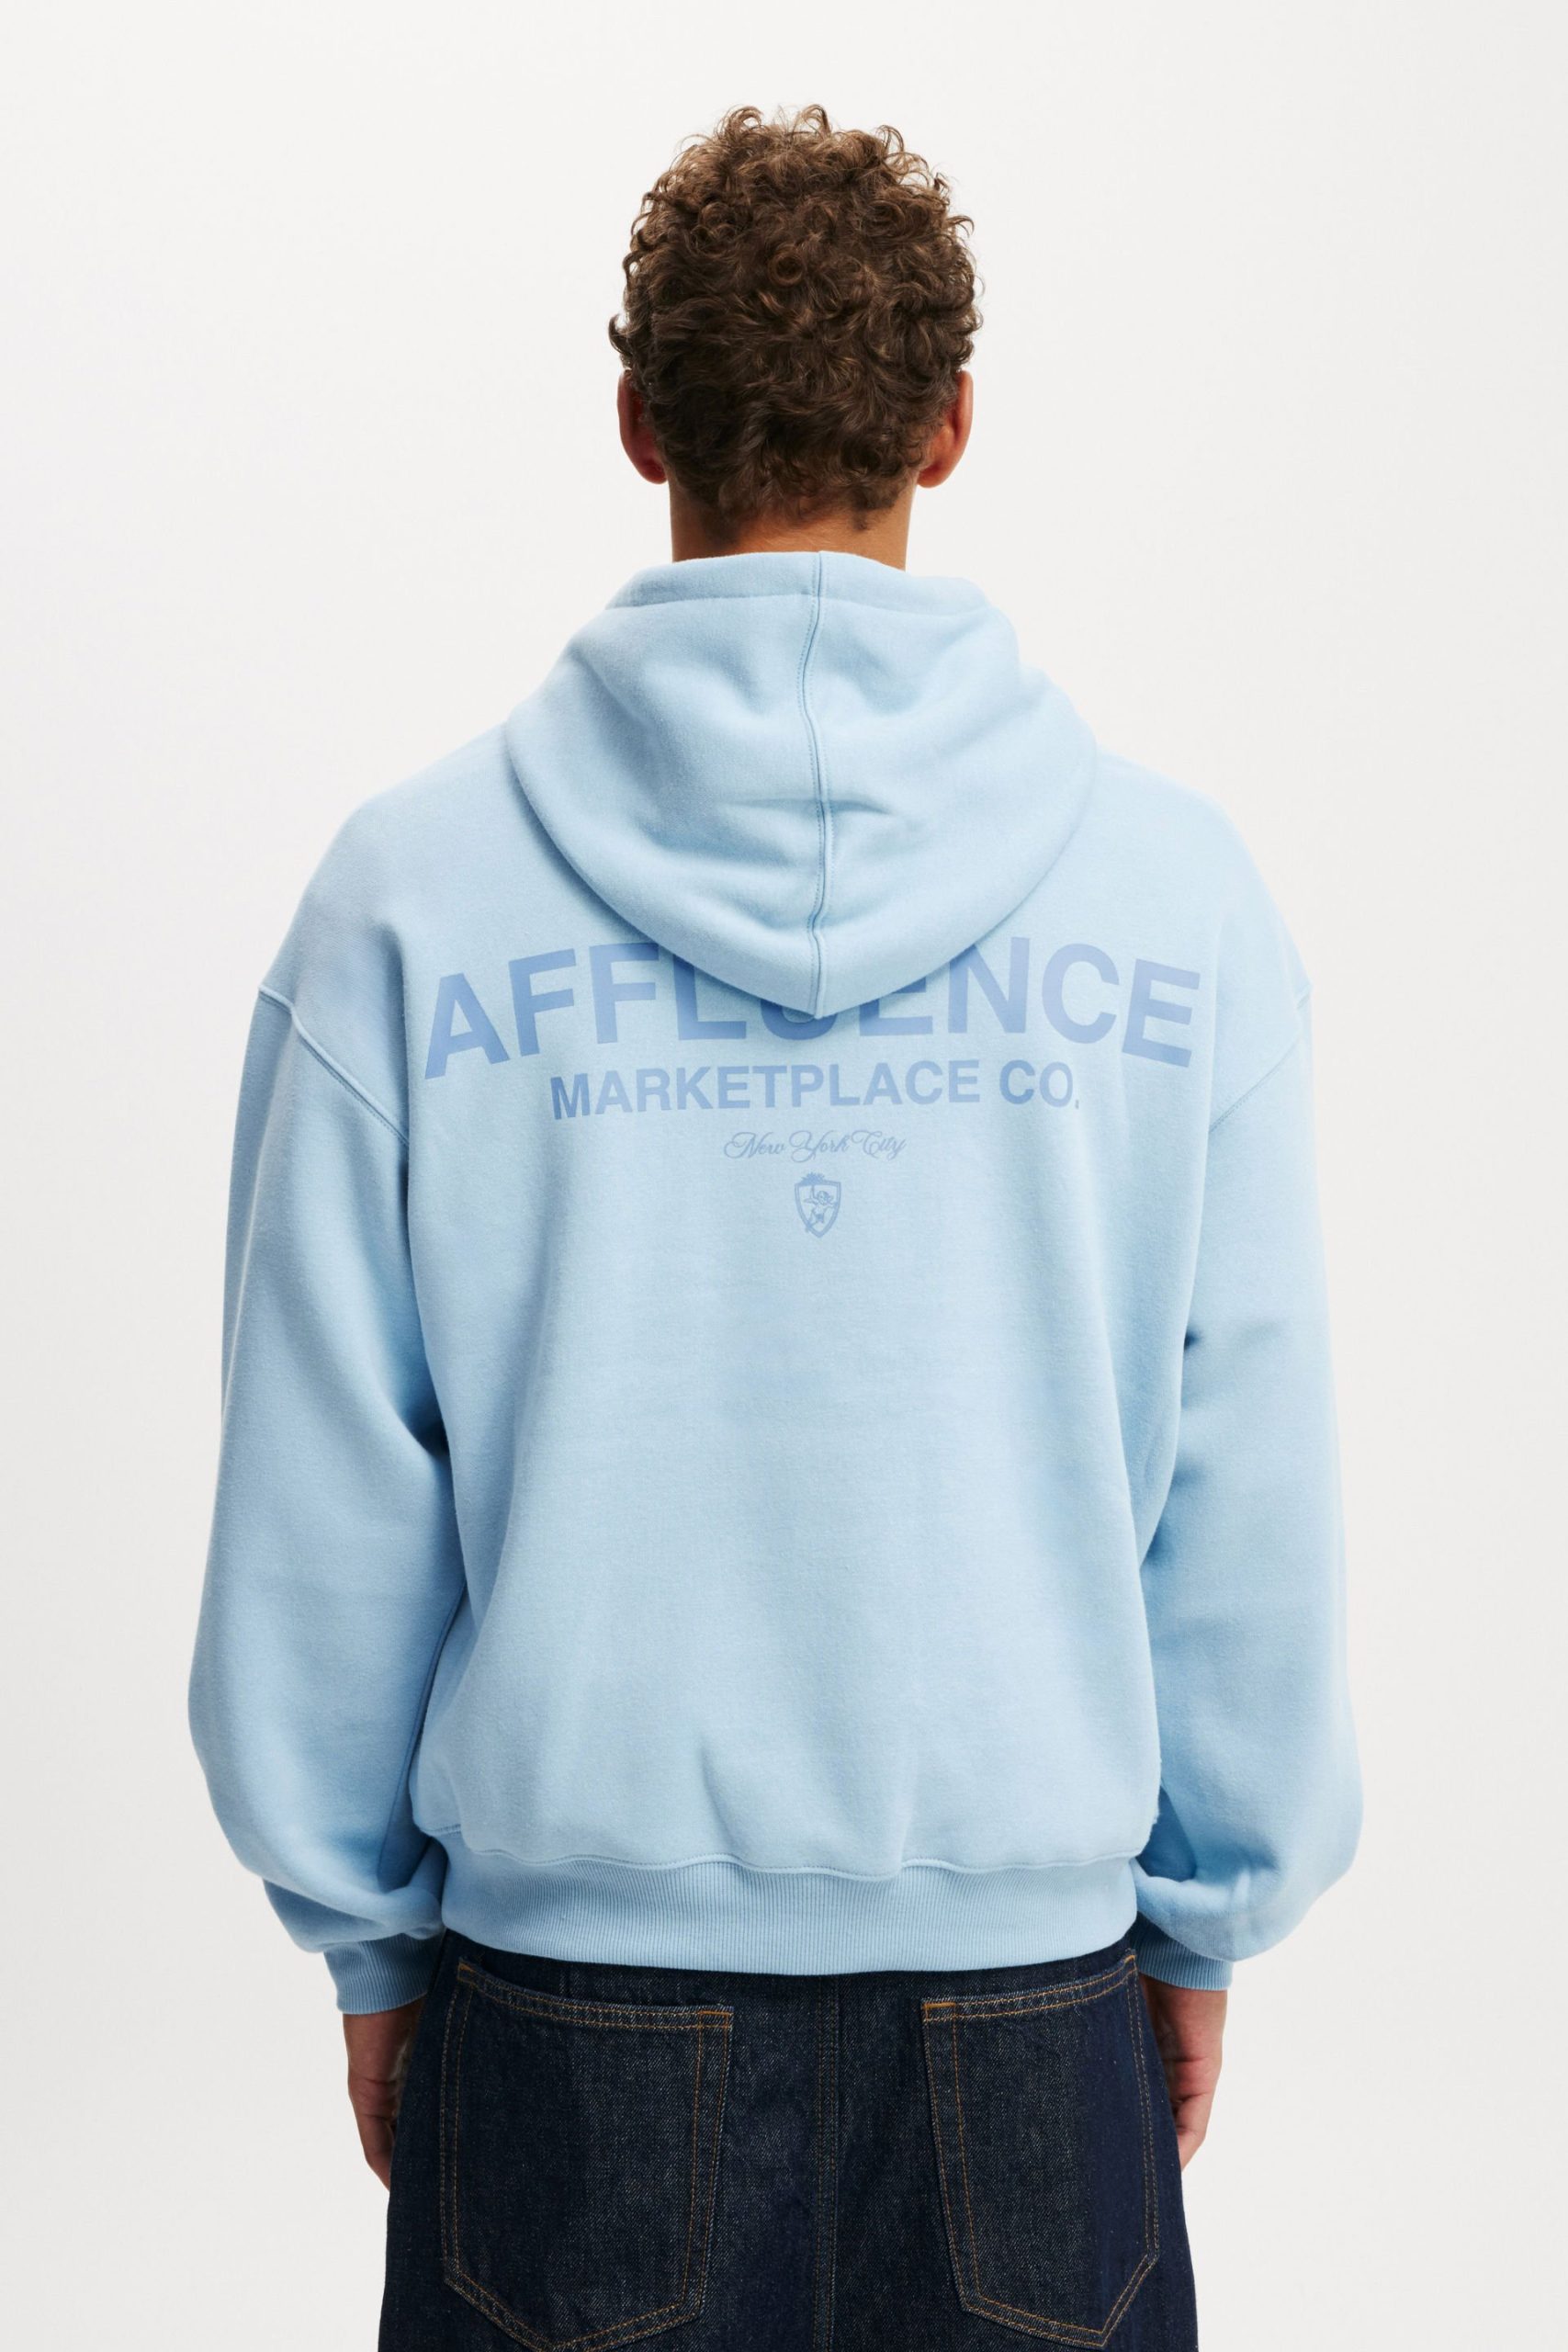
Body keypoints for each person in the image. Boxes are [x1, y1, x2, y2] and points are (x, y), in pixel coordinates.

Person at [191, 104, 1359, 2350]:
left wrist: (366, 1935)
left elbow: (322, 1486)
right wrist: (1205, 1909)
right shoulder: (1173, 906)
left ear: (639, 422)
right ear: (947, 424)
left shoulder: (409, 903)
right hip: (1032, 2017)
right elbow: (1249, 1473)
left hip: (564, 2021)